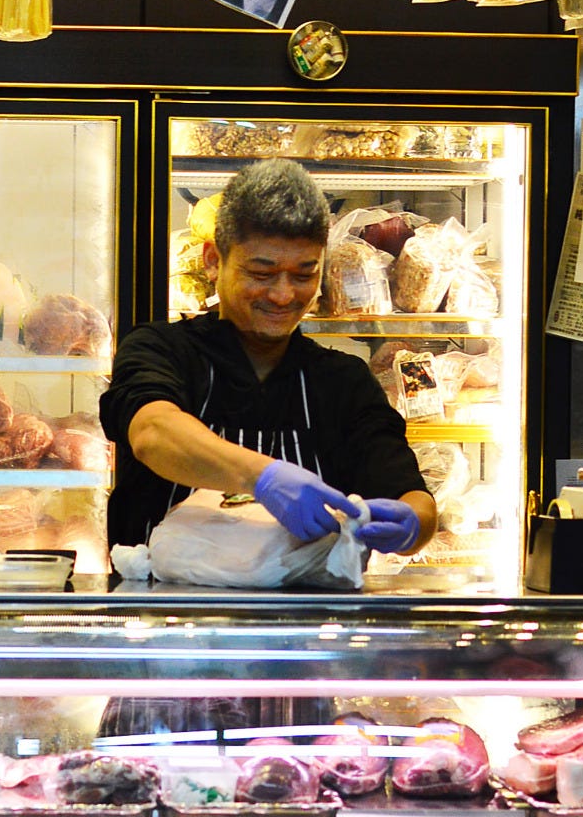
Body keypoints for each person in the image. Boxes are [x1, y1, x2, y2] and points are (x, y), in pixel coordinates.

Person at [100, 157, 437, 559]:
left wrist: (412, 523)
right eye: (261, 273)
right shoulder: (161, 349)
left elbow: (412, 495)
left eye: (303, 274)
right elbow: (154, 433)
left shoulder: (342, 380)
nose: (282, 294)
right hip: (166, 610)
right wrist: (264, 479)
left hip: (308, 617)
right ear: (213, 261)